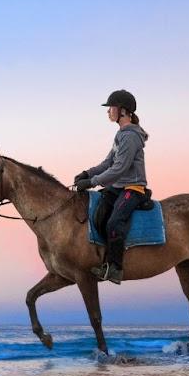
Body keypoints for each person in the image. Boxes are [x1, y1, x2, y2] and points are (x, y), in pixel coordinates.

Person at [73, 90, 151, 284]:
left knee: (114, 223)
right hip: (118, 188)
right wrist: (87, 173)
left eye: (111, 108)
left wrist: (91, 183)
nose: (108, 111)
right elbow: (108, 162)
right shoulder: (121, 135)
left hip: (133, 189)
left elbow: (119, 168)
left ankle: (115, 268)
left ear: (123, 111)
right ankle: (103, 258)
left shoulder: (131, 136)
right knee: (97, 214)